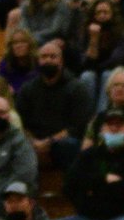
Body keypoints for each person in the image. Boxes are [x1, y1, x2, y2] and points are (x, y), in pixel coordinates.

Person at [17, 40, 95, 173]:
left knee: (68, 145)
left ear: (61, 61)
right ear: (38, 61)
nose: (48, 60)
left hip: (63, 142)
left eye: (53, 57)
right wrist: (34, 142)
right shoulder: (27, 89)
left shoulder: (77, 88)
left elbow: (78, 126)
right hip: (34, 141)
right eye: (44, 57)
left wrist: (49, 141)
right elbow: (21, 122)